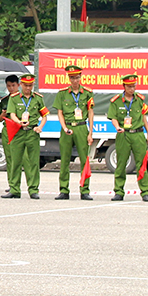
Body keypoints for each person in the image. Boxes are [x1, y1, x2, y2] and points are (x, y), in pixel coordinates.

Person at [107, 74, 148, 202]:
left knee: (141, 163)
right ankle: (119, 191)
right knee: (121, 163)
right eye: (130, 86)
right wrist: (117, 127)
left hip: (138, 134)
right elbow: (113, 118)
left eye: (134, 86)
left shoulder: (139, 100)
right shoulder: (116, 101)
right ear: (124, 86)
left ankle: (145, 191)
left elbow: (143, 117)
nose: (132, 89)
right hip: (123, 134)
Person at [3, 73, 48, 200]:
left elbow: (44, 115)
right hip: (18, 132)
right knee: (15, 161)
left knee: (33, 161)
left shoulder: (37, 98)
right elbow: (11, 114)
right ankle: (14, 189)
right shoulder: (15, 98)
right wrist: (19, 122)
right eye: (26, 85)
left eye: (30, 85)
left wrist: (40, 127)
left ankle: (33, 189)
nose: (28, 88)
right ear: (21, 84)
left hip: (32, 132)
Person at [53, 65, 95, 201]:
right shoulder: (62, 93)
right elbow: (59, 112)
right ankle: (64, 190)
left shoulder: (87, 93)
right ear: (68, 78)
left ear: (80, 77)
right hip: (68, 128)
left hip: (82, 127)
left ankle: (85, 190)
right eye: (72, 78)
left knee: (84, 160)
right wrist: (64, 127)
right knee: (65, 160)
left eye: (77, 77)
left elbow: (90, 112)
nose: (75, 81)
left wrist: (90, 133)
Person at [0, 75, 20, 193]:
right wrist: (4, 113)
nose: (11, 88)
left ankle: (29, 185)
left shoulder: (21, 98)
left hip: (20, 129)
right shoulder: (5, 100)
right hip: (8, 129)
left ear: (18, 85)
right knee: (10, 157)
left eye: (13, 85)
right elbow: (0, 119)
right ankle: (12, 184)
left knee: (24, 158)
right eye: (9, 86)